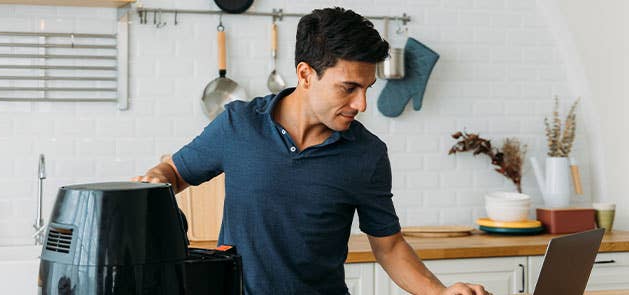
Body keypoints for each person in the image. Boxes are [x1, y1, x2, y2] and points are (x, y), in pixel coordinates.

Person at [132, 7, 491, 295]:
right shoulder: (238, 125)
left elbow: (389, 246)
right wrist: (156, 179)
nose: (362, 103)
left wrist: (440, 292)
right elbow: (175, 173)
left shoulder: (367, 154)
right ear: (305, 75)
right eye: (348, 88)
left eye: (367, 87)